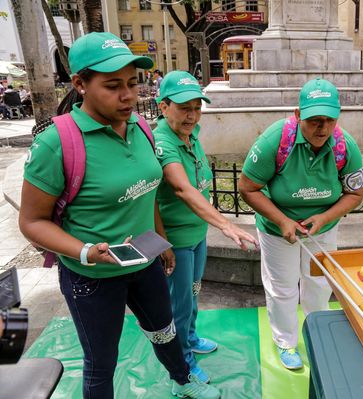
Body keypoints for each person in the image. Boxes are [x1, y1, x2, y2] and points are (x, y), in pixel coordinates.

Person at [18, 32, 219, 399]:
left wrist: (162, 241)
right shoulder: (56, 143)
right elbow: (31, 222)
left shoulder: (141, 128)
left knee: (166, 331)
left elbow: (148, 194)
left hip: (145, 262)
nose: (128, 96)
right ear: (79, 84)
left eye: (132, 83)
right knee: (101, 361)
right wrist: (84, 251)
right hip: (92, 277)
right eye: (113, 86)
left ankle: (183, 380)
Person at [239, 78, 363, 369]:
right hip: (277, 229)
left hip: (322, 228)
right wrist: (282, 221)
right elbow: (247, 187)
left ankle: (317, 332)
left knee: (319, 284)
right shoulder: (275, 140)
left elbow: (355, 193)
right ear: (298, 115)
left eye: (329, 120)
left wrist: (324, 217)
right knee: (282, 286)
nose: (322, 129)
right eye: (314, 121)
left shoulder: (344, 146)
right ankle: (285, 341)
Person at [154, 70, 258, 382]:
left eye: (197, 107)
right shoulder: (162, 142)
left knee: (194, 293)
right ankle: (183, 362)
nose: (192, 115)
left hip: (197, 234)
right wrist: (226, 225)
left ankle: (192, 339)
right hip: (177, 240)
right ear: (163, 106)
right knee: (180, 304)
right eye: (184, 108)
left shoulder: (191, 135)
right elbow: (182, 189)